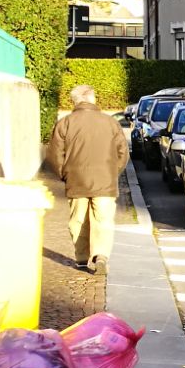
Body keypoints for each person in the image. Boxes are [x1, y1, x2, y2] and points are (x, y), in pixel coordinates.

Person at [49, 84, 129, 275]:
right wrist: (112, 172)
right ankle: (101, 255)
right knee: (103, 219)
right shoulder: (110, 122)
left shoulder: (65, 123)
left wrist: (64, 174)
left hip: (76, 179)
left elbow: (54, 154)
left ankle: (82, 257)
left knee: (78, 219)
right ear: (93, 99)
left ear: (74, 101)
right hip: (105, 181)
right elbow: (123, 153)